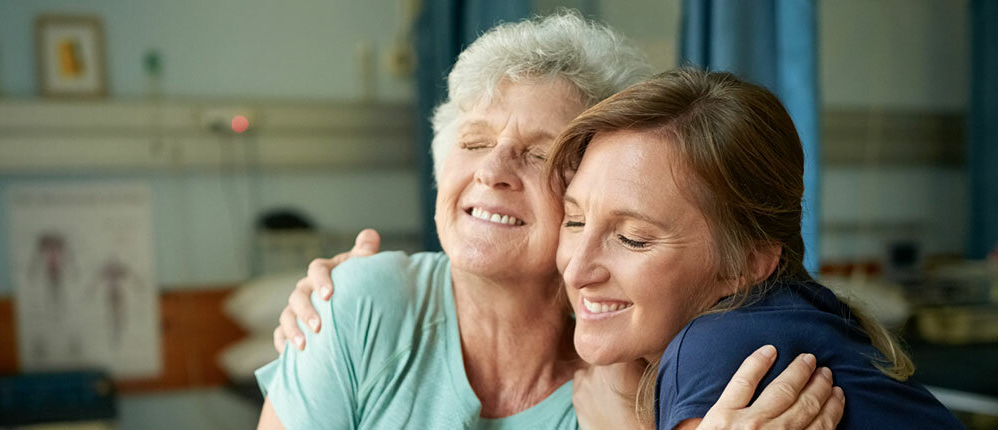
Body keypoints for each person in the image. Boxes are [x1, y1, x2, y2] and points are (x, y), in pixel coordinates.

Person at [278, 69, 961, 429]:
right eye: (578, 220)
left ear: (752, 260)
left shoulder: (717, 357)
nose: (581, 264)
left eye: (633, 235)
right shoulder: (353, 304)